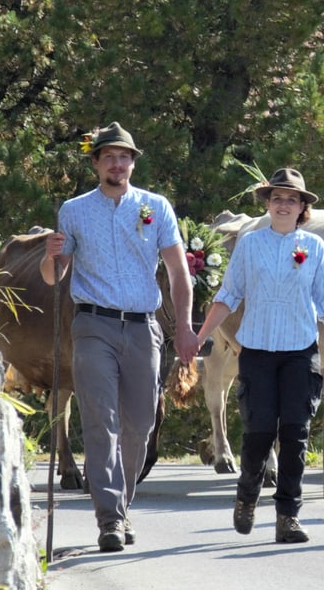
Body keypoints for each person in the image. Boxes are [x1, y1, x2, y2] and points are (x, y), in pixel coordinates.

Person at [40, 121, 198, 552]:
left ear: (132, 162)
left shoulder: (156, 207)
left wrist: (184, 327)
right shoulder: (74, 210)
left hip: (144, 325)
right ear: (95, 163)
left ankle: (121, 506)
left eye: (124, 156)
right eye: (108, 156)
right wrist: (51, 256)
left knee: (141, 424)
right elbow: (56, 277)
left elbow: (179, 273)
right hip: (92, 324)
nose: (117, 163)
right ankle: (109, 517)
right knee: (100, 420)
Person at [194, 167, 324, 544]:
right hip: (257, 350)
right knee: (259, 433)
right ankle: (247, 496)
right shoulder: (249, 244)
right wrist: (201, 335)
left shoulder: (315, 248)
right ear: (268, 204)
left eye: (291, 199)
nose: (283, 204)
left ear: (302, 208)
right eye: (277, 198)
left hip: (300, 351)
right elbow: (228, 295)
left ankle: (287, 516)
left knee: (296, 434)